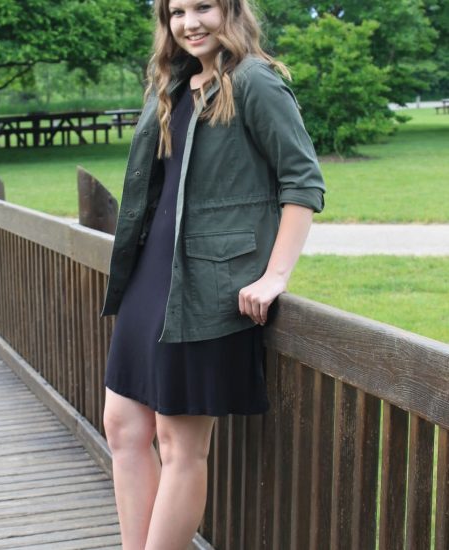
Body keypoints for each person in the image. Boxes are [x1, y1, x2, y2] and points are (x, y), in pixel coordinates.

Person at [101, 0, 326, 548]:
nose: (190, 22)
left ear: (232, 10)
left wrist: (275, 276)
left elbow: (303, 183)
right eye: (177, 11)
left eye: (204, 6)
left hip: (207, 289)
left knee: (181, 445)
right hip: (151, 278)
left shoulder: (255, 82)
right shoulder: (171, 84)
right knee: (124, 428)